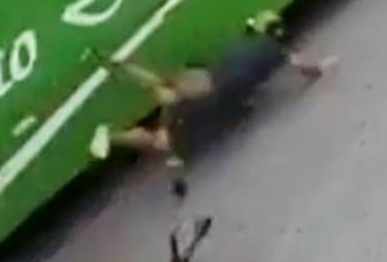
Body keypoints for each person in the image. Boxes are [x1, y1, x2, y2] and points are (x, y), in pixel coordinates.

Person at [90, 14, 336, 167]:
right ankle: (111, 136)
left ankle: (121, 67)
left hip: (206, 79)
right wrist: (322, 67)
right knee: (161, 137)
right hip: (213, 96)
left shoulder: (244, 44)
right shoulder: (276, 53)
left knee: (163, 87)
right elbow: (304, 66)